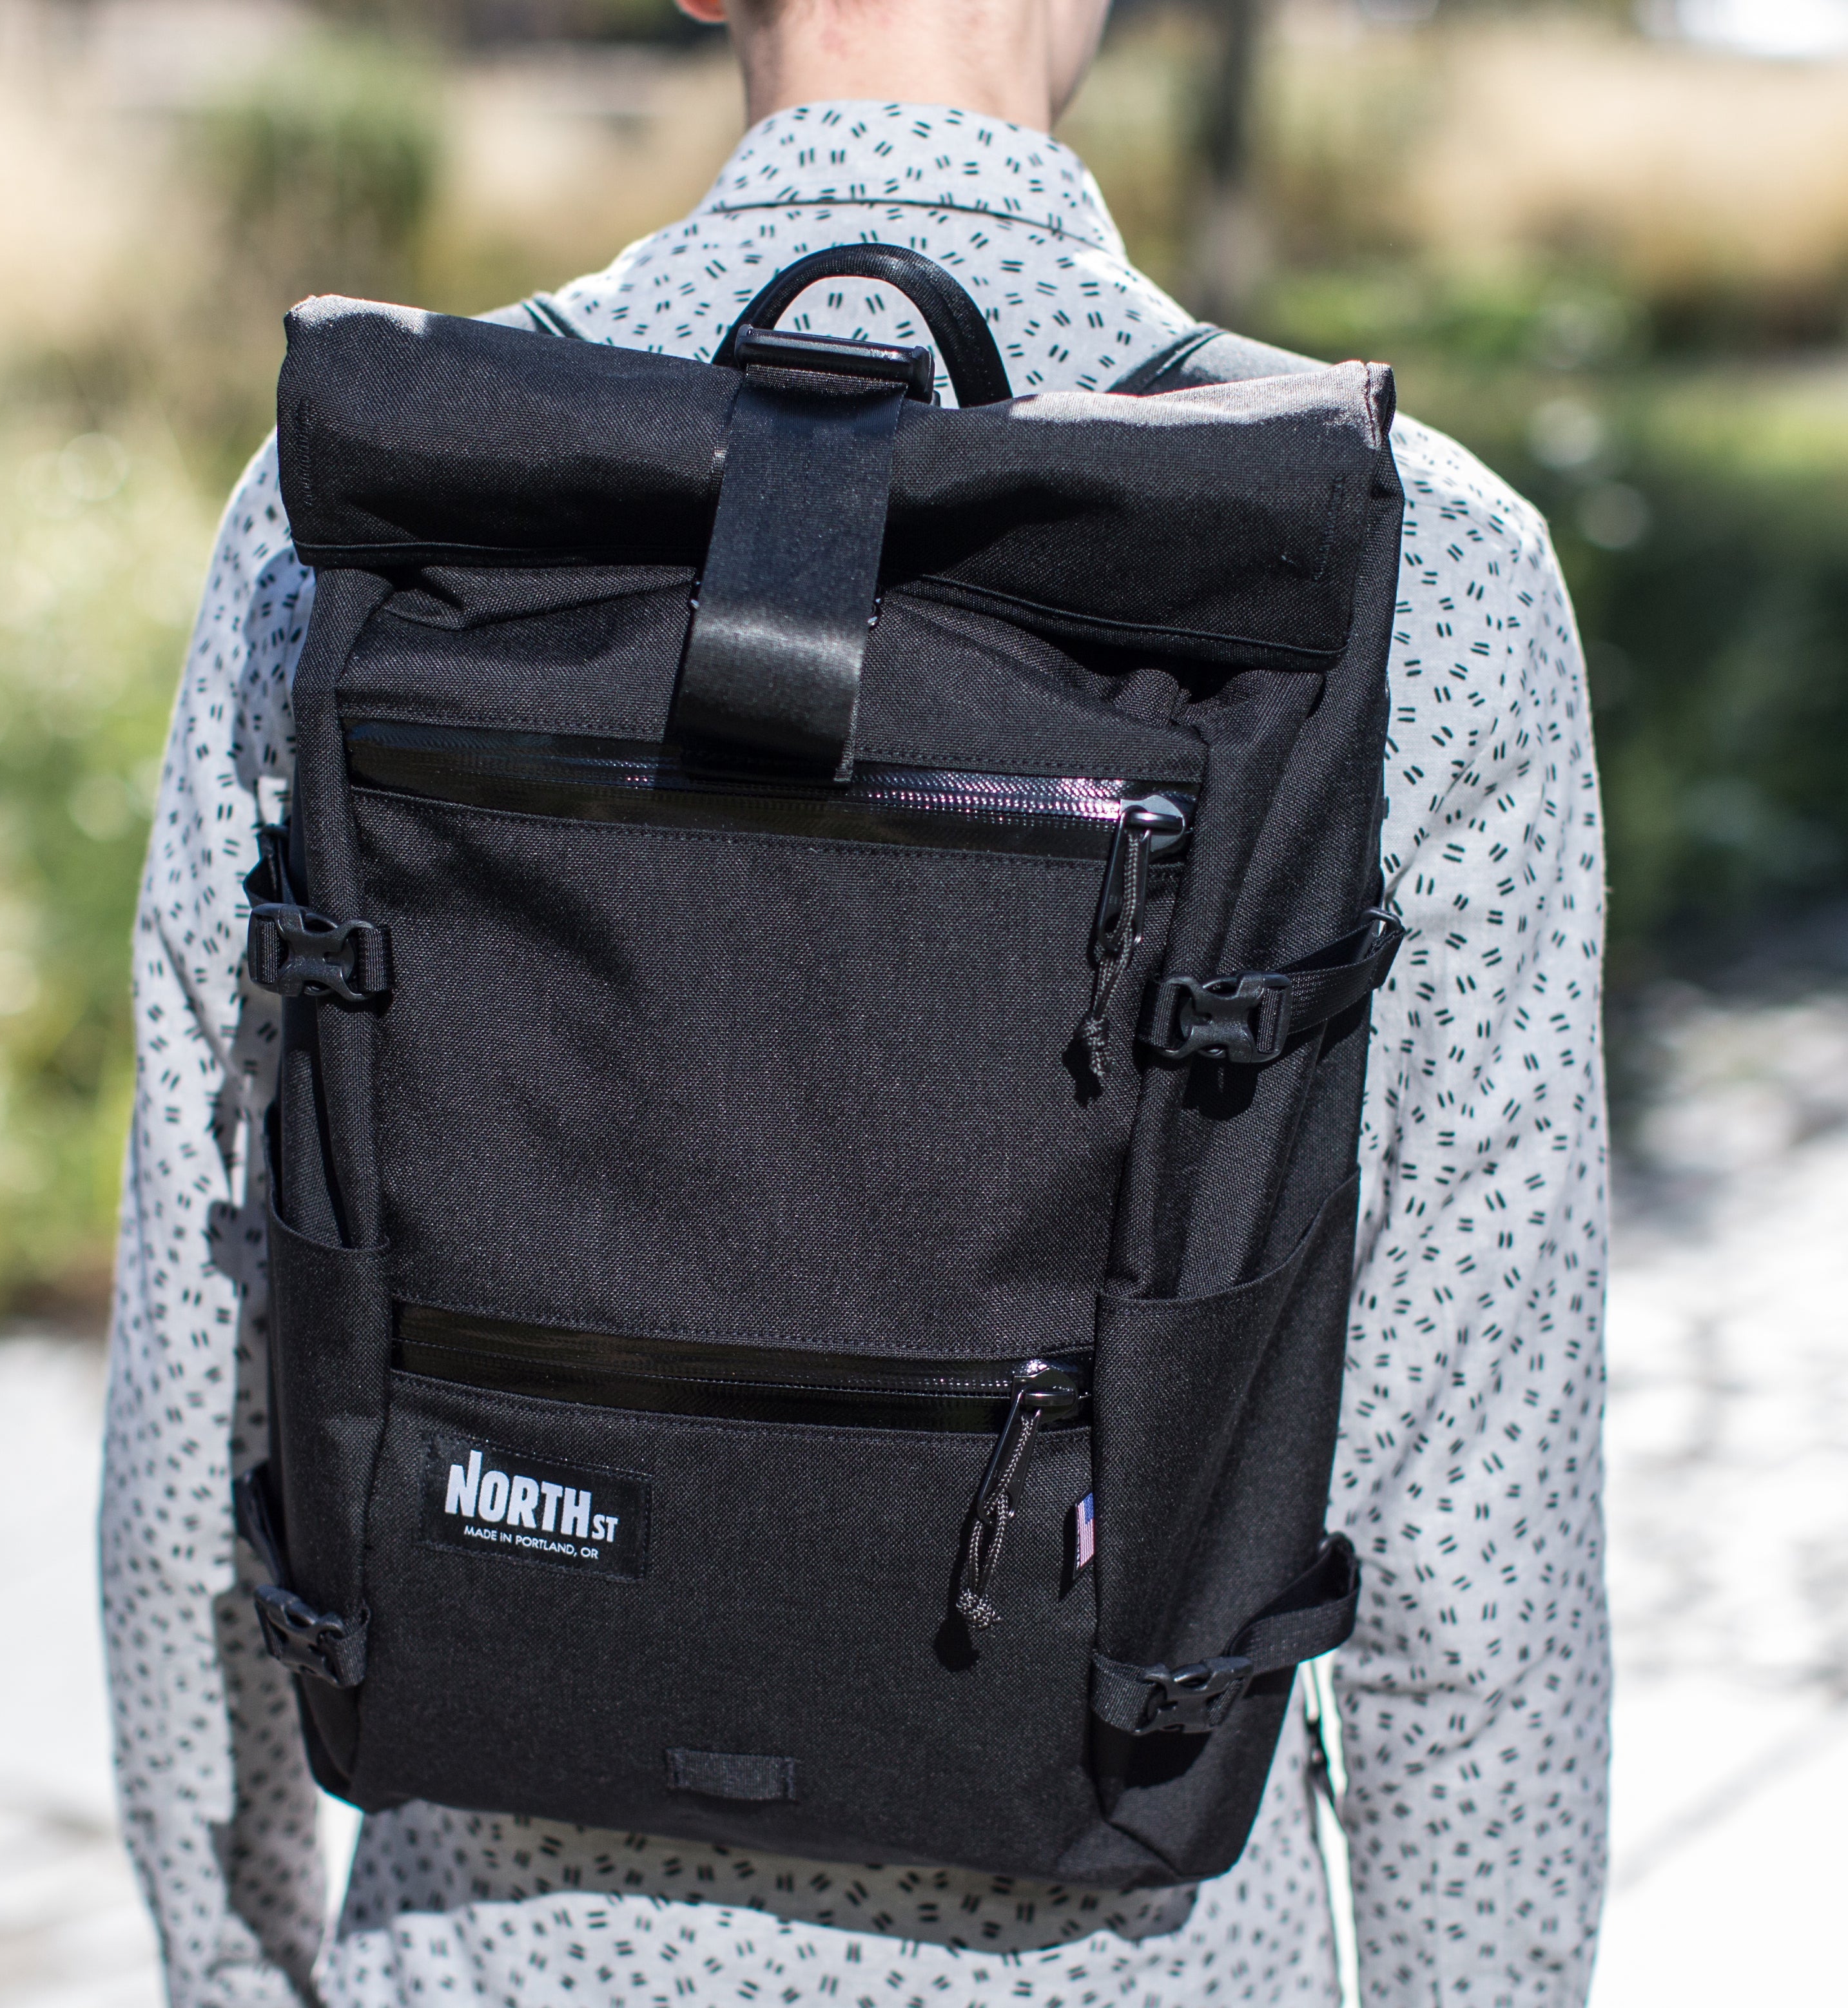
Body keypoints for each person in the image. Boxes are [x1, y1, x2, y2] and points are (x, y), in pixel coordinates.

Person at [101, 1, 1610, 2002]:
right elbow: (1466, 1543)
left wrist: (252, 1963)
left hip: (490, 1952)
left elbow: (203, 1392)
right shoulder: (1408, 570)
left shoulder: (371, 519)